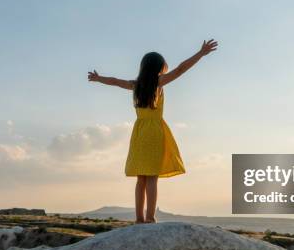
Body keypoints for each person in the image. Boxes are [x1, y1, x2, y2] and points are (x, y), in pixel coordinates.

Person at [88, 39, 218, 223]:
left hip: (140, 132)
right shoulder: (158, 82)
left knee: (140, 177)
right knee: (152, 178)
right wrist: (200, 53)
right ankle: (150, 217)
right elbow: (181, 69)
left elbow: (115, 81)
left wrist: (98, 78)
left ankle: (139, 218)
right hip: (155, 131)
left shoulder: (135, 85)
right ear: (159, 68)